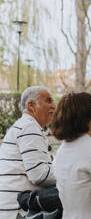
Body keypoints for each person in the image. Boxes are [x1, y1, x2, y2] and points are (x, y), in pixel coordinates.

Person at [0, 86, 56, 218]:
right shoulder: (29, 127)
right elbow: (39, 175)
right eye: (48, 101)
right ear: (31, 105)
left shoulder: (26, 125)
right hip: (19, 211)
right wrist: (70, 175)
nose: (54, 106)